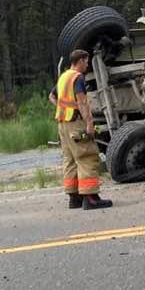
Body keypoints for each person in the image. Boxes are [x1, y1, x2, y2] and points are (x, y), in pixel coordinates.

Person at [50, 49, 112, 210]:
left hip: (62, 124)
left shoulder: (64, 76)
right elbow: (82, 102)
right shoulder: (77, 78)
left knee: (70, 159)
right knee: (87, 157)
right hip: (76, 123)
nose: (87, 65)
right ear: (80, 61)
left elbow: (52, 96)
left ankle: (74, 198)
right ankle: (90, 198)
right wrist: (89, 124)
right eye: (86, 61)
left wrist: (63, 107)